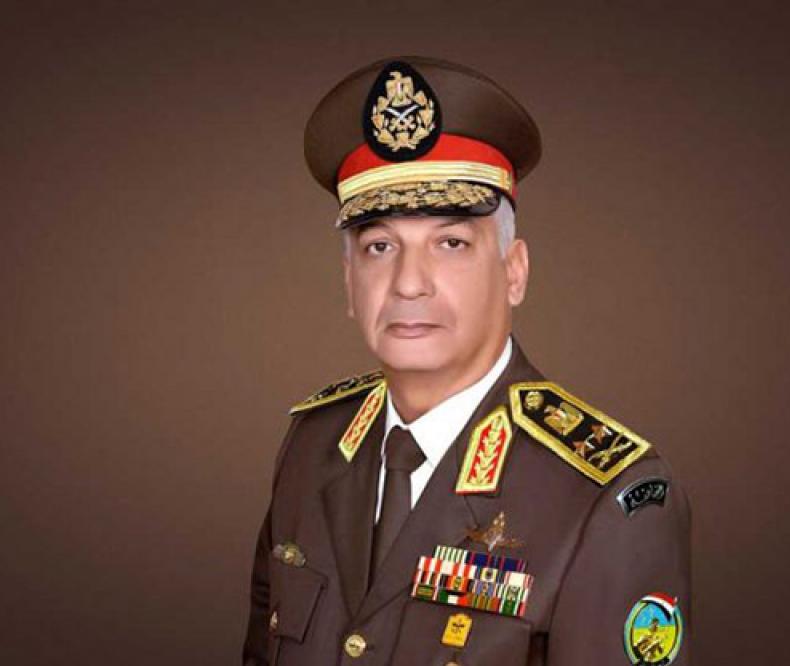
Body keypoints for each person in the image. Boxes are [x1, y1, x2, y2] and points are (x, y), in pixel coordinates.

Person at [242, 56, 690, 666]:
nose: (409, 283)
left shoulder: (608, 499)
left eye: (450, 243)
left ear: (514, 272)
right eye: (380, 246)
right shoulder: (312, 444)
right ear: (349, 281)